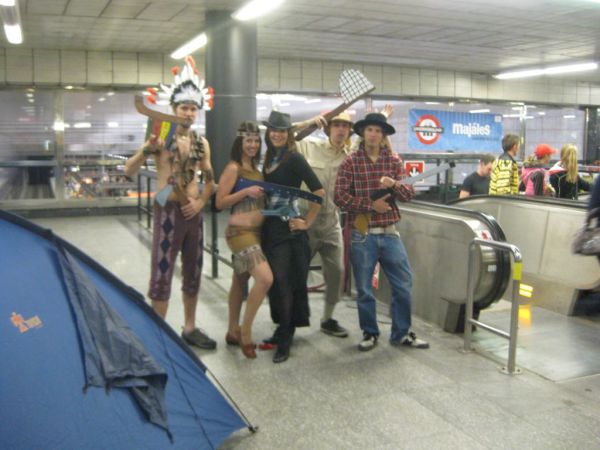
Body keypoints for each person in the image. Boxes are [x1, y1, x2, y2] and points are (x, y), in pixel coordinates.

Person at [124, 57, 216, 350]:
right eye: (184, 107)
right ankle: (159, 334)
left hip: (193, 212)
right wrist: (146, 150)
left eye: (193, 108)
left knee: (193, 270)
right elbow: (129, 170)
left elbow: (210, 180)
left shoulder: (201, 142)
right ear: (174, 108)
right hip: (167, 208)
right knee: (162, 271)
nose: (188, 113)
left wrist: (201, 202)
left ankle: (189, 327)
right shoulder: (161, 138)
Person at [334, 112, 429, 352]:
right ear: (362, 133)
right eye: (369, 130)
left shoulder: (394, 161)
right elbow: (339, 197)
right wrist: (370, 205)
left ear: (383, 134)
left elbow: (408, 194)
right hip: (362, 234)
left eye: (378, 130)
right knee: (364, 289)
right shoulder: (351, 162)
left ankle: (401, 333)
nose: (373, 135)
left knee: (403, 284)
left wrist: (394, 184)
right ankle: (370, 333)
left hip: (389, 232)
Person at [261, 110, 324, 363]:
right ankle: (282, 327)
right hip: (269, 226)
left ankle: (286, 337)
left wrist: (307, 222)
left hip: (288, 229)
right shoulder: (269, 156)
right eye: (273, 130)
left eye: (281, 131)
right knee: (275, 284)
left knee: (285, 283)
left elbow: (318, 191)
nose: (276, 134)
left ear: (288, 134)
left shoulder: (294, 158)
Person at [215, 121, 273, 359]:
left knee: (239, 281)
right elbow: (219, 202)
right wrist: (244, 192)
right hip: (239, 233)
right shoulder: (233, 168)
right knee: (265, 279)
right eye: (248, 140)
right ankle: (245, 331)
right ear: (240, 142)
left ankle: (232, 330)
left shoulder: (256, 168)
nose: (253, 145)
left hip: (256, 232)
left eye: (256, 140)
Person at [294, 112, 354, 338]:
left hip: (331, 221)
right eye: (336, 125)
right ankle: (290, 320)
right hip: (305, 219)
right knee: (297, 272)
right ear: (328, 128)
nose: (341, 129)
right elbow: (284, 135)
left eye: (345, 126)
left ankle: (327, 319)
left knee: (337, 272)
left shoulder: (351, 156)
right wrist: (308, 122)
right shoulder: (310, 146)